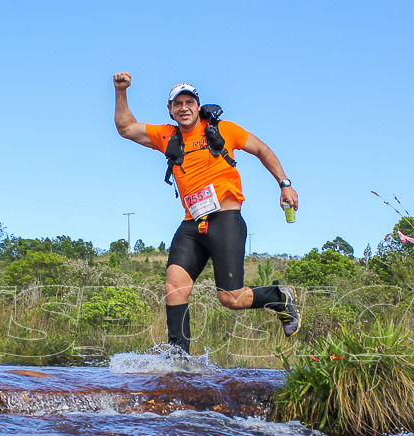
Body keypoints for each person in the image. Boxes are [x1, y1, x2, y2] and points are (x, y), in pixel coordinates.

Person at [113, 72, 301, 355]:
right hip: (192, 224)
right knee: (174, 286)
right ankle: (179, 359)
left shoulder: (224, 130)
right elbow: (125, 127)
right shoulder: (166, 136)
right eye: (178, 104)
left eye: (190, 102)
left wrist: (284, 184)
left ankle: (279, 297)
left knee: (231, 298)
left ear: (198, 106)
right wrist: (121, 91)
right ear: (171, 110)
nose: (184, 107)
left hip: (225, 220)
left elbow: (262, 149)